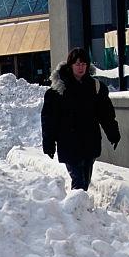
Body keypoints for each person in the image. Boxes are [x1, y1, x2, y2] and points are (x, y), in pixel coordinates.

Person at [40, 48, 120, 191]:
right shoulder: (58, 90)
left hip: (90, 141)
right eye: (77, 64)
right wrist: (49, 143)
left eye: (84, 64)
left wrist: (113, 133)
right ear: (70, 65)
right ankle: (76, 210)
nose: (81, 67)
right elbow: (49, 119)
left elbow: (106, 114)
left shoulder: (95, 87)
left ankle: (80, 209)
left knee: (85, 180)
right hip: (69, 143)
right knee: (79, 182)